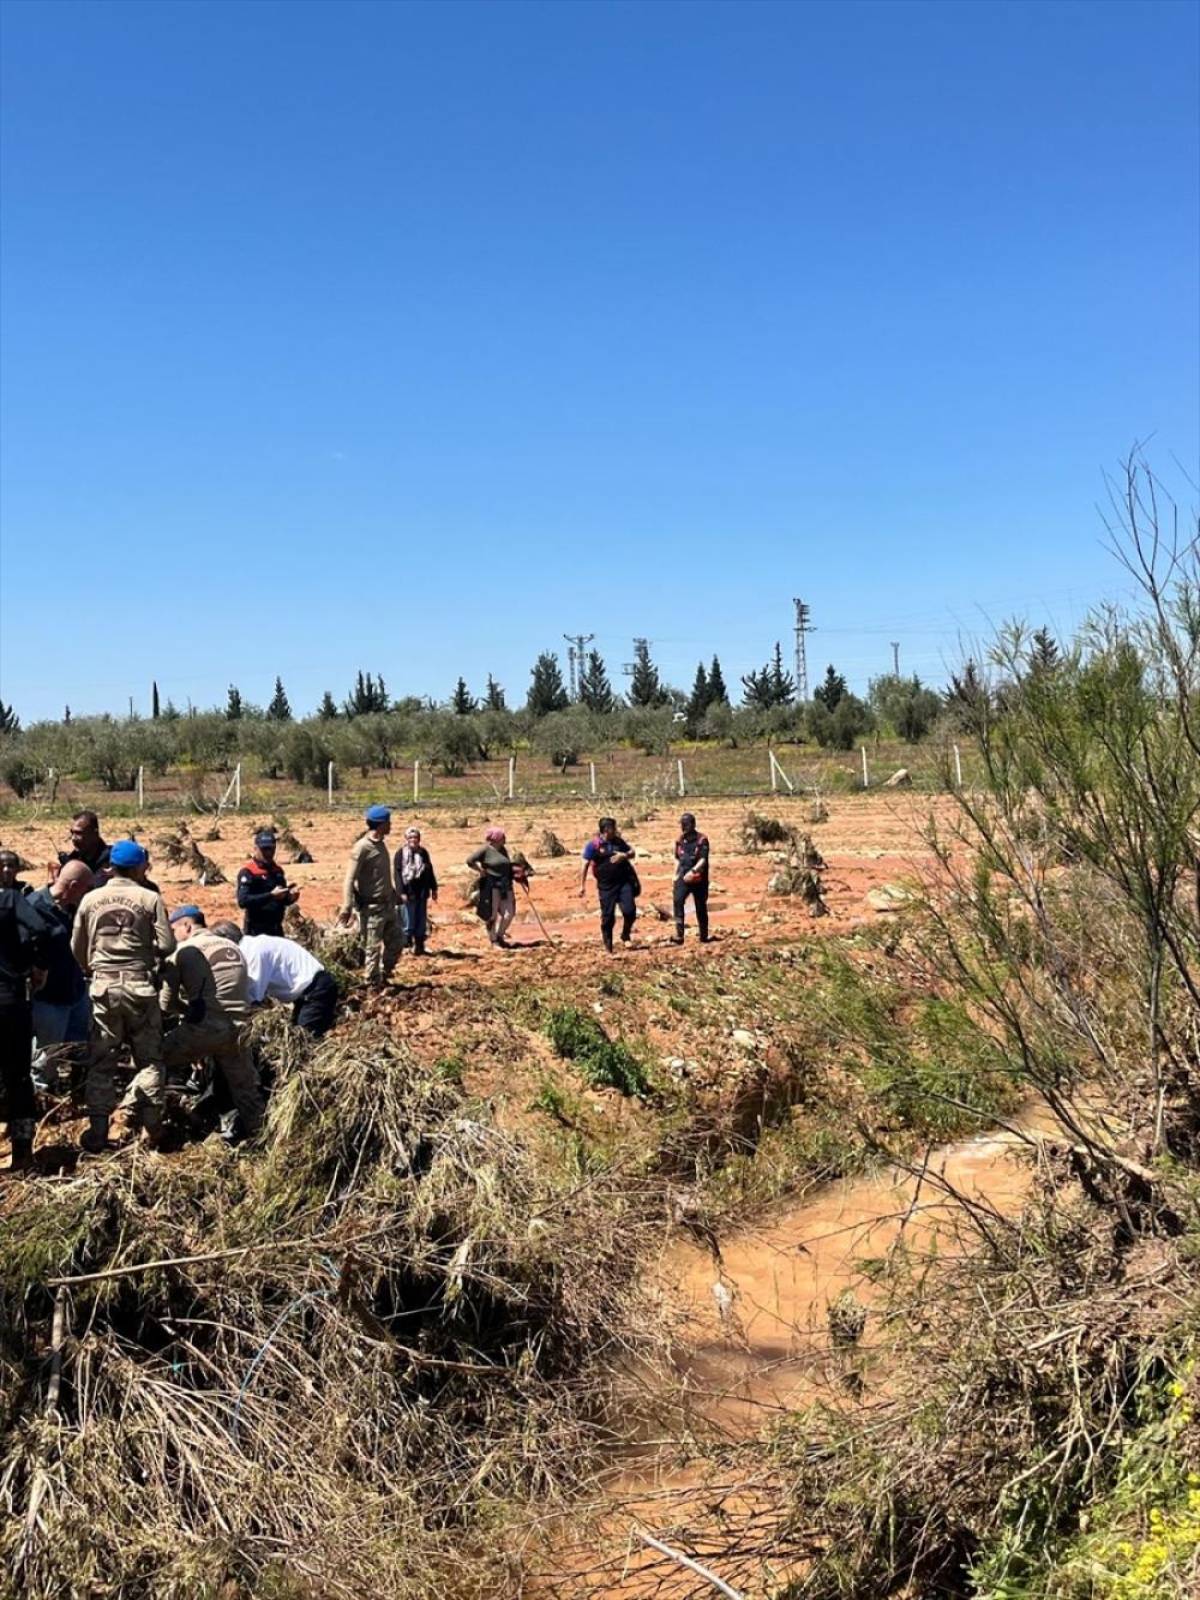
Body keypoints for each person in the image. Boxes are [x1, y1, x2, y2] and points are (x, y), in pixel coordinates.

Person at [71, 839, 174, 1151]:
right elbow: (168, 945)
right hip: (140, 987)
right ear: (138, 867)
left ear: (112, 867)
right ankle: (152, 1130)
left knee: (102, 1061)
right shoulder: (149, 897)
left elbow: (77, 945)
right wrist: (144, 950)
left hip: (103, 988)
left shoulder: (90, 899)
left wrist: (94, 965)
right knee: (150, 1060)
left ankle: (99, 1132)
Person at [160, 907, 264, 1143]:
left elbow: (166, 1003)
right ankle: (262, 1139)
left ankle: (146, 1124)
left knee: (154, 1059)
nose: (172, 934)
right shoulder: (233, 947)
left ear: (186, 926)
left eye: (173, 928)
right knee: (246, 1090)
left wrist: (187, 1011)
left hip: (206, 1028)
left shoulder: (184, 951)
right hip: (240, 1029)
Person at [25, 862, 94, 1091]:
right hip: (49, 999)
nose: (87, 894)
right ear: (73, 886)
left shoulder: (72, 908)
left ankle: (76, 1090)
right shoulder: (34, 907)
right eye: (85, 889)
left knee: (80, 1047)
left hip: (75, 993)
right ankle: (43, 1101)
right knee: (47, 1056)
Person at [0, 883, 51, 1171]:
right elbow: (40, 930)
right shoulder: (9, 899)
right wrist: (37, 966)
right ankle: (22, 1152)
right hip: (9, 999)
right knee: (18, 1075)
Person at [222, 924, 339, 1038]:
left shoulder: (252, 953)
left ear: (227, 941)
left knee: (304, 1040)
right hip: (310, 991)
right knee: (297, 1035)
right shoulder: (253, 945)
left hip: (316, 991)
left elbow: (254, 997)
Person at [338, 805, 401, 983]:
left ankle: (385, 973)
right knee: (372, 948)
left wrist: (394, 894)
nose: (391, 825)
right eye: (388, 822)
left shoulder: (380, 844)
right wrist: (347, 906)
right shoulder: (362, 848)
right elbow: (349, 879)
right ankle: (371, 983)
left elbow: (381, 875)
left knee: (397, 941)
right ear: (381, 824)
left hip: (388, 905)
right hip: (372, 909)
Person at [579, 817, 638, 953]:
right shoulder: (594, 845)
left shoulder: (618, 842)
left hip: (623, 882)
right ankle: (608, 945)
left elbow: (632, 852)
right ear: (606, 830)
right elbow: (585, 864)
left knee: (630, 911)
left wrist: (624, 855)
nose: (615, 830)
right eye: (613, 828)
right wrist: (582, 885)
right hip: (606, 886)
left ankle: (625, 934)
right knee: (608, 916)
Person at [236, 829, 299, 937]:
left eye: (271, 849)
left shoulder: (277, 871)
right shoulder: (248, 872)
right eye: (264, 849)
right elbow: (243, 901)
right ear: (255, 849)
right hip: (256, 930)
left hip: (276, 928)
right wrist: (270, 896)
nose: (268, 853)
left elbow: (281, 899)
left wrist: (290, 898)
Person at [467, 827, 519, 948]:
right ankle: (493, 940)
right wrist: (480, 870)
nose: (505, 839)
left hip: (505, 885)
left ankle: (500, 936)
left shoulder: (503, 850)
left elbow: (506, 864)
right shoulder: (485, 849)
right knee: (492, 914)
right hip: (491, 885)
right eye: (502, 837)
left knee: (509, 914)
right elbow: (470, 860)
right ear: (496, 838)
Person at [395, 826, 438, 955]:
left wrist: (434, 888)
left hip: (422, 891)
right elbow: (397, 874)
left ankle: (419, 946)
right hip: (408, 892)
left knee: (421, 919)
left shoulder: (423, 853)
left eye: (416, 837)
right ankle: (406, 946)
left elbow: (429, 870)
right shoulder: (400, 854)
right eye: (410, 837)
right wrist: (401, 892)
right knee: (408, 919)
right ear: (406, 839)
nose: (413, 840)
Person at [672, 812, 712, 944]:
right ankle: (679, 935)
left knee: (700, 906)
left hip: (698, 878)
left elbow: (703, 860)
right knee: (678, 901)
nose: (684, 827)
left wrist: (693, 871)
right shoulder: (679, 841)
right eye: (682, 825)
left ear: (693, 825)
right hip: (683, 877)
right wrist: (676, 874)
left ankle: (704, 935)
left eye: (686, 824)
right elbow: (677, 858)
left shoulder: (702, 840)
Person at [57, 810, 111, 876]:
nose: (73, 838)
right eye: (72, 833)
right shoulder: (75, 856)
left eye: (79, 833)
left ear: (94, 833)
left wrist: (71, 868)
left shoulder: (108, 859)